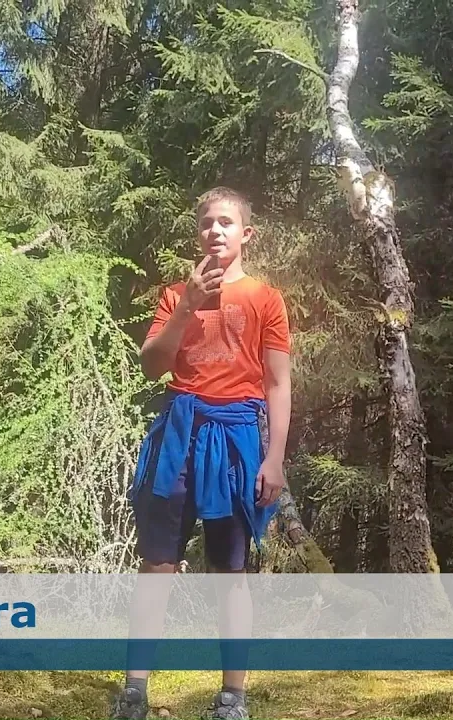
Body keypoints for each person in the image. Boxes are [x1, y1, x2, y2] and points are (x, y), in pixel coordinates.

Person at [111, 186, 292, 720]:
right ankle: (134, 692)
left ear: (246, 234)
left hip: (235, 441)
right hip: (178, 436)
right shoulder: (175, 295)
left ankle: (233, 697)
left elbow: (277, 383)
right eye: (207, 222)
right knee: (156, 564)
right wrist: (187, 305)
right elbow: (152, 365)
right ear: (198, 233)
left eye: (226, 222)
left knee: (230, 572)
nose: (215, 230)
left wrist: (274, 458)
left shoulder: (266, 299)